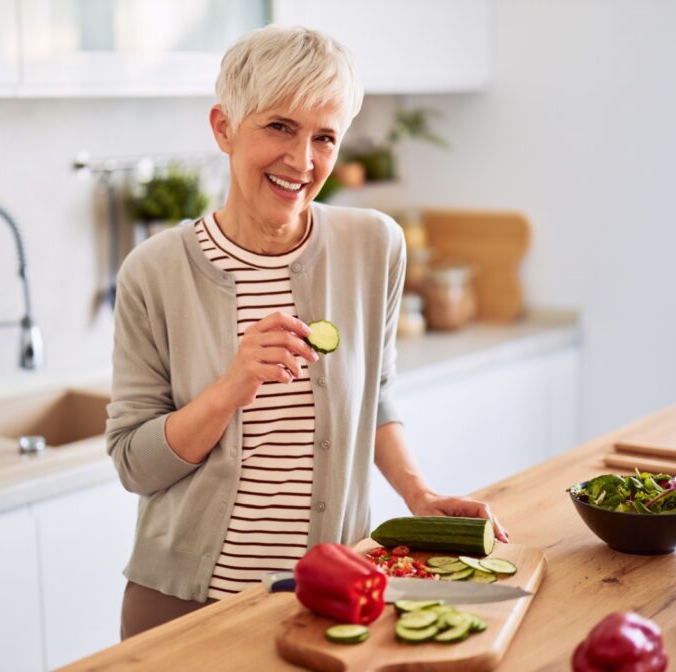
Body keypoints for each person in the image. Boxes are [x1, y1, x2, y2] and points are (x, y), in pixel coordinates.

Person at [107, 24, 509, 639]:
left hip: (332, 596)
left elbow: (373, 393)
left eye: (324, 136)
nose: (302, 160)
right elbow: (135, 465)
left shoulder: (375, 245)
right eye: (279, 127)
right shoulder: (153, 271)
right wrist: (230, 388)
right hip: (185, 610)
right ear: (223, 128)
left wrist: (419, 498)